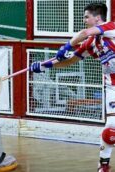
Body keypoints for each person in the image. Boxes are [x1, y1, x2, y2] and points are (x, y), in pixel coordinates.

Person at [30, 2, 113, 172]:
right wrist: (44, 65)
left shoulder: (111, 27)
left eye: (86, 16)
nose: (84, 20)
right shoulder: (90, 43)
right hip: (112, 87)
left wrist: (66, 45)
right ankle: (103, 166)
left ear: (97, 18)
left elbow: (83, 33)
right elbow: (70, 60)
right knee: (109, 131)